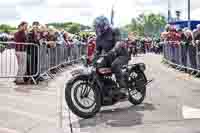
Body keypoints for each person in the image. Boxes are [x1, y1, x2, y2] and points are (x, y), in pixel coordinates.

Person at [93, 16, 129, 96]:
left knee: (115, 65)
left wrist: (114, 50)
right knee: (97, 66)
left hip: (121, 55)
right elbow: (97, 51)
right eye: (96, 27)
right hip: (109, 57)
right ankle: (105, 87)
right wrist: (91, 58)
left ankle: (123, 88)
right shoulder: (98, 38)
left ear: (104, 26)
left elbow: (118, 42)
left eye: (98, 27)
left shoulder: (114, 30)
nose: (97, 29)